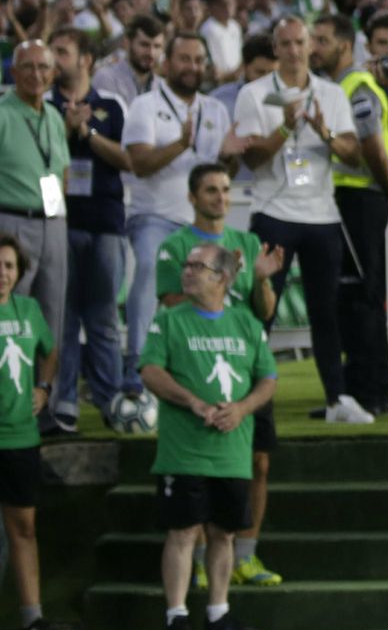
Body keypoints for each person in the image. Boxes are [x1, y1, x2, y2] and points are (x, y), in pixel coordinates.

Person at [234, 15, 375, 424]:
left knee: (325, 311)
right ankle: (253, 400)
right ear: (274, 48)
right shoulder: (254, 94)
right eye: (286, 43)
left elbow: (354, 154)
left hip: (321, 215)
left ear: (310, 45)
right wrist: (286, 128)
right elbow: (251, 157)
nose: (294, 51)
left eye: (300, 42)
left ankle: (337, 400)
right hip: (273, 212)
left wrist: (324, 133)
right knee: (262, 310)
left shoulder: (330, 93)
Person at [140, 242, 275, 630]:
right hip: (184, 451)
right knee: (182, 532)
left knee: (225, 534)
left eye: (197, 266)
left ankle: (218, 614)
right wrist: (193, 402)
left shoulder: (246, 324)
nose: (187, 270)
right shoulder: (169, 321)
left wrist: (241, 409)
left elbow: (267, 377)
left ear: (221, 277)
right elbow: (150, 371)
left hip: (231, 451)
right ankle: (176, 617)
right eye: (186, 264)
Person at [156, 164, 284, 587]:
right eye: (211, 190)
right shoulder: (176, 246)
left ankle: (246, 555)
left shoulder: (245, 242)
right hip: (196, 366)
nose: (221, 198)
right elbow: (175, 302)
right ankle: (194, 561)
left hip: (245, 366)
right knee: (198, 470)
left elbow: (263, 312)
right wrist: (221, 283)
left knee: (259, 463)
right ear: (192, 197)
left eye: (226, 190)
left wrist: (262, 279)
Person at [123, 31, 238, 402]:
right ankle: (137, 367)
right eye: (185, 59)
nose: (192, 67)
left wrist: (231, 157)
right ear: (166, 63)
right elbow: (138, 164)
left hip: (202, 224)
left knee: (217, 288)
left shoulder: (216, 109)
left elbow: (222, 177)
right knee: (145, 269)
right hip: (154, 216)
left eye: (198, 60)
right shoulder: (145, 105)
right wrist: (179, 144)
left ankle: (201, 366)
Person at [311, 13, 388, 415]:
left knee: (363, 299)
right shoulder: (333, 87)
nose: (313, 47)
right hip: (338, 200)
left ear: (344, 45)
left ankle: (374, 392)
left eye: (321, 40)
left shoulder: (357, 86)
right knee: (345, 299)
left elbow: (372, 146)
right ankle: (351, 395)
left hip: (358, 200)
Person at [46, 28, 131, 431]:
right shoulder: (43, 106)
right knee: (61, 319)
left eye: (61, 51)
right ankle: (63, 404)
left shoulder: (111, 106)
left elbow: (127, 159)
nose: (54, 58)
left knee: (103, 319)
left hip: (104, 222)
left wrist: (88, 133)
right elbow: (40, 161)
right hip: (58, 221)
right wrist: (64, 128)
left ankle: (110, 400)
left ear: (86, 60)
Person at [0, 235, 66, 630]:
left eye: (8, 266)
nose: (2, 274)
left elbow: (50, 350)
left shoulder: (28, 310)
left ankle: (33, 621)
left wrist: (43, 387)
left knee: (24, 528)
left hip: (21, 439)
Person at [0, 42, 70, 359]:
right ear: (13, 72)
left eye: (43, 67)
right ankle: (8, 402)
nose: (36, 74)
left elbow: (61, 171)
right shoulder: (2, 113)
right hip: (12, 223)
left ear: (54, 74)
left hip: (53, 222)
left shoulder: (54, 116)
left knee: (51, 316)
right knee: (10, 313)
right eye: (27, 67)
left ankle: (45, 400)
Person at [91, 14, 165, 107]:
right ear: (127, 43)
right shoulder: (106, 78)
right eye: (144, 45)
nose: (151, 53)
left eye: (157, 46)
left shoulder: (162, 87)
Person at [209, 33, 277, 118]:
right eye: (260, 72)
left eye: (272, 73)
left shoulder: (289, 102)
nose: (267, 79)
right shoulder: (219, 102)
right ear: (245, 68)